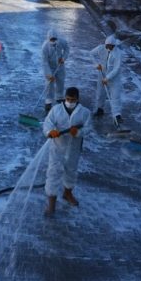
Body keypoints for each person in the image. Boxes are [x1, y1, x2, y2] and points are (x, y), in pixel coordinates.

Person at [43, 87, 91, 216]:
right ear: (65, 97)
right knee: (53, 172)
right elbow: (47, 123)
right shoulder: (56, 110)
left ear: (78, 99)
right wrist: (50, 131)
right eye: (68, 99)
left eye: (73, 100)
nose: (70, 102)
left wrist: (79, 132)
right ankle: (51, 203)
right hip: (57, 148)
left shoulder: (84, 112)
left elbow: (89, 127)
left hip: (74, 148)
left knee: (71, 171)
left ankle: (67, 193)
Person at [91, 35, 123, 123]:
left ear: (114, 45)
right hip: (102, 73)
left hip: (114, 77)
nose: (108, 47)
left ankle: (117, 115)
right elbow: (91, 54)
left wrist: (108, 78)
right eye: (107, 46)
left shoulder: (118, 53)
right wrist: (96, 65)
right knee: (100, 93)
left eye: (110, 46)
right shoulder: (101, 48)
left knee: (115, 95)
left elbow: (117, 68)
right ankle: (99, 109)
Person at [41, 29, 69, 113]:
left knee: (61, 81)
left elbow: (67, 49)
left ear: (57, 38)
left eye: (54, 39)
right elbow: (44, 62)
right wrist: (49, 74)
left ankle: (60, 97)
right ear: (48, 39)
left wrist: (63, 58)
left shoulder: (62, 42)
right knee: (49, 84)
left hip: (60, 65)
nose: (53, 41)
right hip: (49, 66)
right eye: (51, 40)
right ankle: (48, 101)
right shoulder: (45, 47)